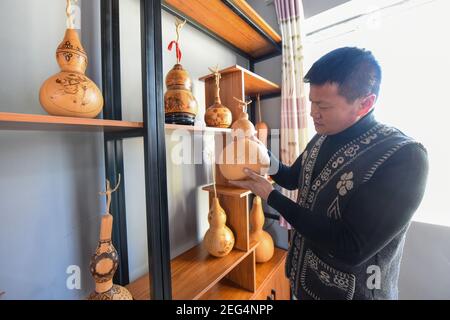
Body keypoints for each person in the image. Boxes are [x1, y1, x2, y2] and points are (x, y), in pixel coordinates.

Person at [229, 47, 429, 300]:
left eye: (323, 105)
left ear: (365, 103)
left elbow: (351, 246)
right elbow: (292, 177)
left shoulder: (404, 158)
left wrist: (273, 197)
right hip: (305, 282)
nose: (313, 112)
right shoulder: (323, 137)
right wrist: (261, 154)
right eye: (311, 101)